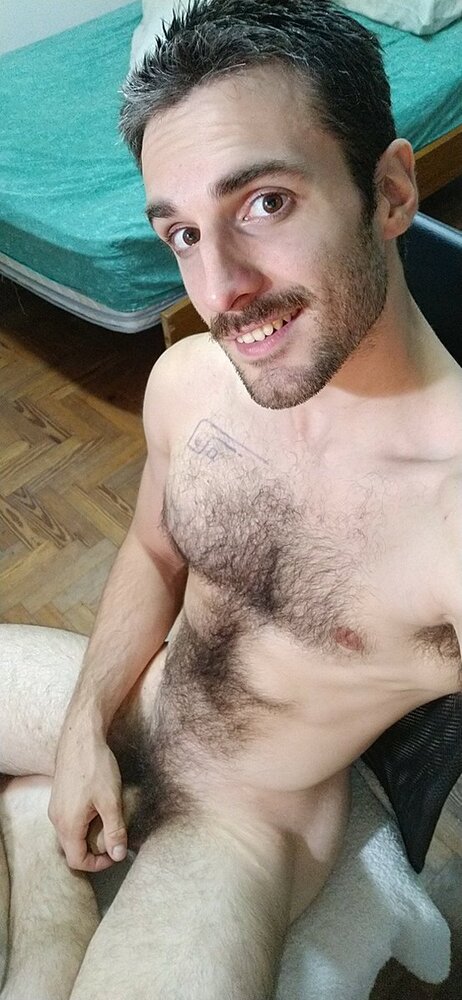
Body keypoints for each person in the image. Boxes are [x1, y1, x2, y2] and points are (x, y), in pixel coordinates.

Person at [1, 1, 461, 997]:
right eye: (182, 233)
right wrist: (84, 724)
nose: (220, 290)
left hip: (246, 825)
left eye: (264, 203)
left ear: (389, 190)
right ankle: (41, 868)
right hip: (138, 700)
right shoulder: (192, 382)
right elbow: (153, 552)